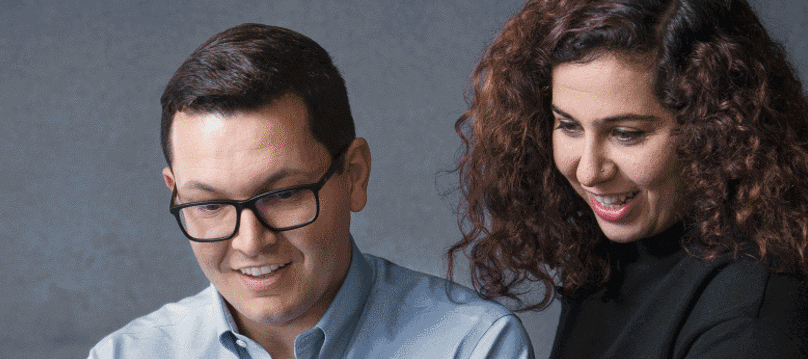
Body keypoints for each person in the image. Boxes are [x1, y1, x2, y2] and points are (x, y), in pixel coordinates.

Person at [91, 23, 532, 359]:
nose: (250, 242)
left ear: (354, 176)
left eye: (282, 195)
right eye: (209, 204)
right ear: (175, 194)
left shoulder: (473, 346)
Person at [452, 0, 808, 357]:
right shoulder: (619, 257)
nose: (589, 170)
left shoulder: (755, 315)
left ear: (712, 129)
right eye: (568, 126)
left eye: (627, 134)